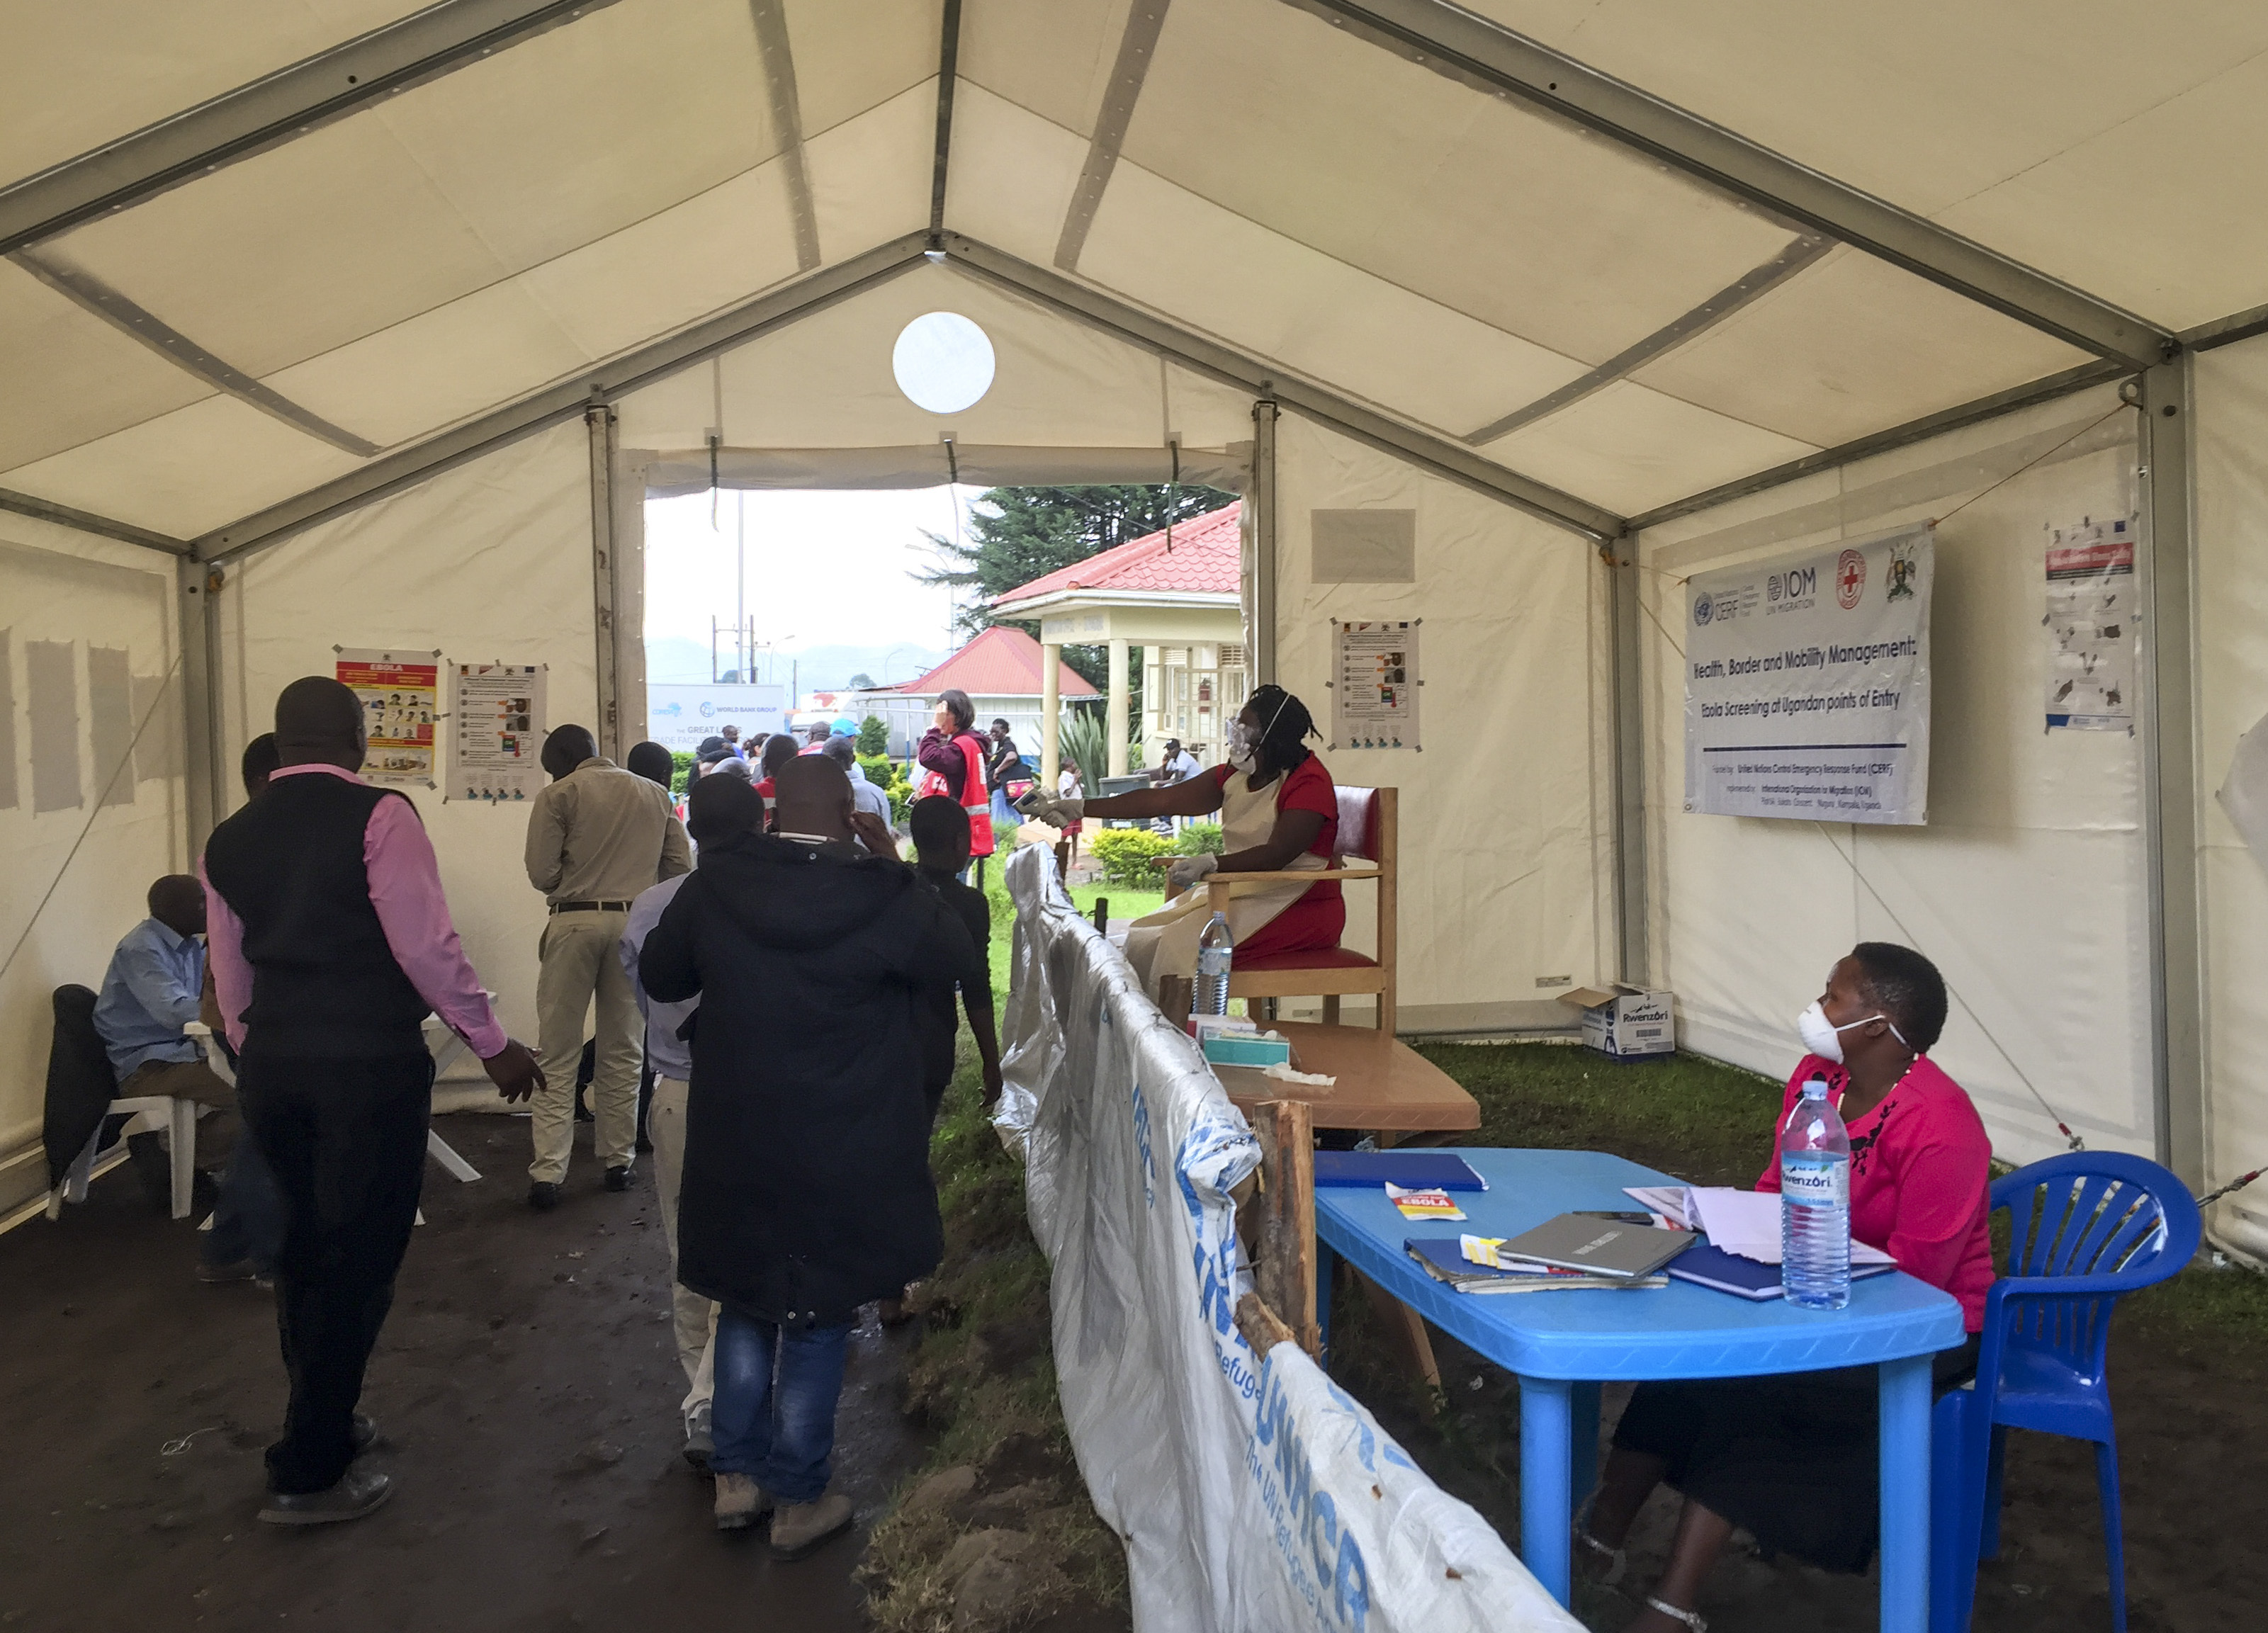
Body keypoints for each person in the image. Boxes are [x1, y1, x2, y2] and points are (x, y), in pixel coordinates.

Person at [203, 676, 543, 1525]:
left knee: (303, 1253)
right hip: (366, 1068)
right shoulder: (381, 815)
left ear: (280, 743)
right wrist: (492, 1043)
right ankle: (309, 1465)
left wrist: (262, 1051)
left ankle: (326, 1412)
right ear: (357, 735)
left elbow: (230, 973)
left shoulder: (228, 837)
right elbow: (425, 946)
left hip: (276, 1065)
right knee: (359, 1254)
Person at [1575, 944, 1991, 1631]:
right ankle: (1595, 1543)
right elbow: (1777, 1190)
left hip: (1931, 1320)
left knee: (1768, 1389)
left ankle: (1673, 1604)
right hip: (1812, 1285)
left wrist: (1802, 1295)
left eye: (1833, 997)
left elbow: (1921, 1279)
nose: (1816, 1008)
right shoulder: (1815, 1079)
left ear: (1881, 1025)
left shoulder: (1943, 1126)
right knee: (1688, 1364)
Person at [639, 756, 984, 1556]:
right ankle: (799, 1498)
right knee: (822, 1312)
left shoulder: (719, 883)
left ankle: (736, 1478)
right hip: (843, 1137)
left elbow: (662, 973)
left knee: (746, 1297)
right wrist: (894, 864)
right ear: (851, 813)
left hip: (737, 1133)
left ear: (769, 813)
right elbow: (959, 960)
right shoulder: (879, 893)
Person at [620, 775, 761, 1471]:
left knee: (688, 1254)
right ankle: (718, 1401)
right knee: (747, 1252)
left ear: (689, 827)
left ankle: (702, 1402)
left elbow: (646, 999)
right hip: (754, 1093)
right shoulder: (771, 903)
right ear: (760, 827)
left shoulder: (650, 908)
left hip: (675, 1088)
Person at [1025, 686, 1341, 995]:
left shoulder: (1309, 781)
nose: (1236, 738)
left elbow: (1279, 854)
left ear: (1274, 737)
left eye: (1246, 730)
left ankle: (1173, 1039)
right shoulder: (1235, 775)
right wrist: (1079, 808)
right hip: (1241, 889)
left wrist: (1212, 863)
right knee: (1145, 935)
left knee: (1175, 947)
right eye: (1237, 726)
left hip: (1298, 901)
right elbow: (1160, 802)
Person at [522, 725, 692, 1209]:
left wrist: (576, 874)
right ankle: (618, 1161)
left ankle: (549, 1171)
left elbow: (542, 873)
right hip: (632, 922)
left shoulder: (558, 793)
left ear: (563, 757)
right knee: (624, 1047)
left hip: (573, 921)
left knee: (557, 1049)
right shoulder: (655, 794)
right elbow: (680, 867)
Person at [92, 876, 247, 1257]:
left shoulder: (192, 947)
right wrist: (236, 1008)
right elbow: (172, 1011)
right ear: (168, 909)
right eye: (199, 904)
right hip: (149, 1065)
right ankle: (175, 1150)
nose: (208, 910)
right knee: (258, 1094)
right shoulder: (140, 948)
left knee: (267, 1088)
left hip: (182, 1053)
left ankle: (175, 1147)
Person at [908, 796, 1003, 1120]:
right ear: (961, 842)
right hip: (932, 1037)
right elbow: (976, 986)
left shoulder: (891, 884)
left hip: (876, 1036)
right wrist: (991, 1060)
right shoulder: (969, 904)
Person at [913, 688, 993, 866]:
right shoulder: (970, 742)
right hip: (967, 829)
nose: (940, 719)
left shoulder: (962, 746)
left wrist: (935, 728)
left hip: (960, 831)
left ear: (957, 716)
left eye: (944, 714)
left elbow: (928, 757)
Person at [820, 734, 891, 828]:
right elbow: (886, 832)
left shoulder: (815, 792)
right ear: (853, 759)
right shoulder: (876, 793)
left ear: (823, 760)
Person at [983, 718, 1024, 837]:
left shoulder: (1008, 744)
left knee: (999, 822)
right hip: (1000, 790)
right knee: (1005, 821)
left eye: (996, 731)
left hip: (1002, 790)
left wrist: (997, 770)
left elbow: (1012, 757)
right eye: (992, 731)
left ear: (1005, 731)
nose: (993, 734)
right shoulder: (1000, 747)